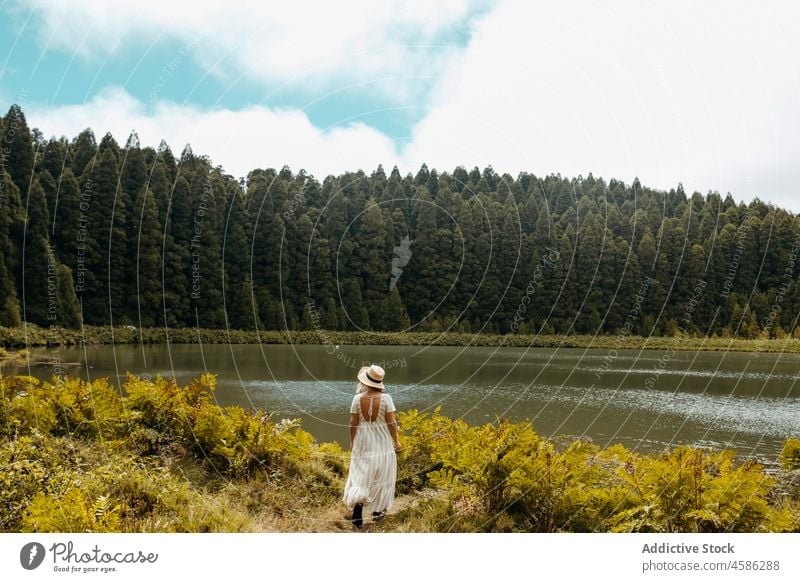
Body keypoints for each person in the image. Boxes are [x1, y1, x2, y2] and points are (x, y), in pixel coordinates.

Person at [342, 364, 401, 528]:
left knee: (361, 474)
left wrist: (352, 441)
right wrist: (396, 441)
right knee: (382, 475)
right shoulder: (386, 399)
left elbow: (353, 423)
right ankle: (378, 511)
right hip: (382, 443)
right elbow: (392, 423)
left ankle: (358, 509)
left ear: (365, 381)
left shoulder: (357, 399)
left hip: (363, 441)